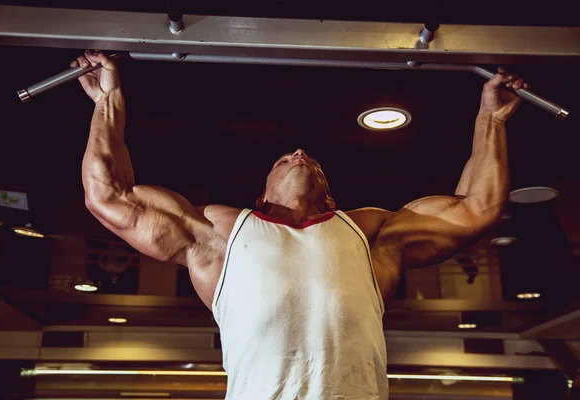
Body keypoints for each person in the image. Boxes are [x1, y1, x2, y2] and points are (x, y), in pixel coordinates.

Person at [74, 50, 527, 399]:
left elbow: (478, 209)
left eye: (311, 160)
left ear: (330, 196)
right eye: (283, 157)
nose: (298, 152)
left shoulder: (369, 235)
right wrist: (107, 99)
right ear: (260, 195)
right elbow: (109, 195)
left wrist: (493, 117)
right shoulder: (221, 235)